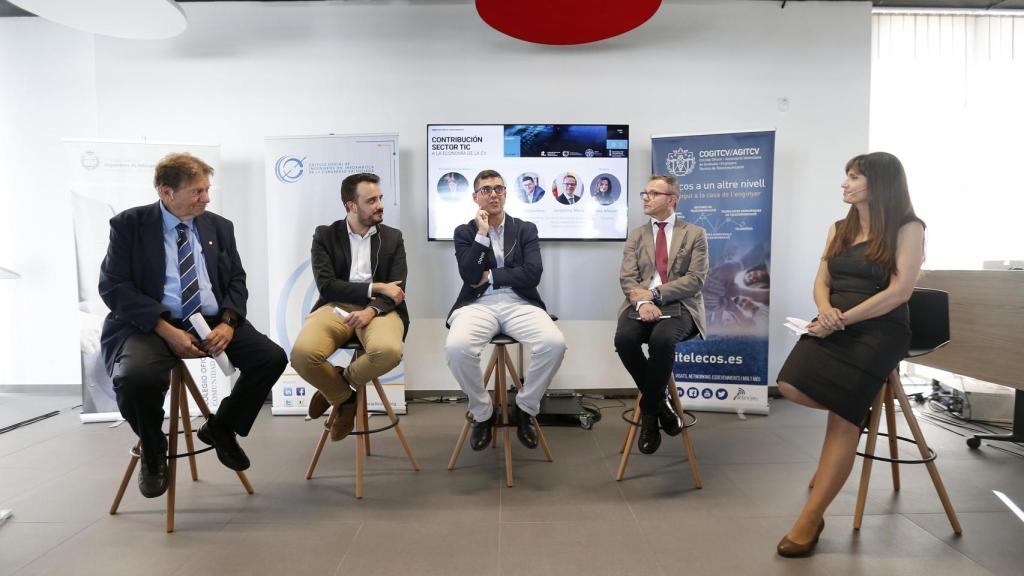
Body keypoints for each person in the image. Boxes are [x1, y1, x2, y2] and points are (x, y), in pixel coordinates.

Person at [99, 153, 287, 498]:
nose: (206, 198)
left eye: (207, 190)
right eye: (197, 192)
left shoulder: (219, 226)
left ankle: (221, 427)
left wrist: (229, 323)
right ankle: (154, 449)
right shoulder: (129, 225)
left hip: (213, 319)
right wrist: (164, 329)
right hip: (151, 322)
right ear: (167, 192)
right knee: (134, 378)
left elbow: (236, 280)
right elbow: (114, 286)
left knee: (271, 358)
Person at [775, 152, 925, 557]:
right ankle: (858, 404)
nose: (845, 183)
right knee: (788, 383)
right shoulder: (838, 228)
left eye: (854, 176)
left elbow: (899, 293)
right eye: (847, 176)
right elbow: (821, 280)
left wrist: (842, 320)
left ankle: (810, 518)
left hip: (880, 328)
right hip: (834, 321)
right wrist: (825, 312)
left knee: (842, 423)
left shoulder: (907, 228)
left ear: (879, 184)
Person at [445, 169, 567, 451]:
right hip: (478, 304)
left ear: (506, 194)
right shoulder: (465, 232)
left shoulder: (525, 229)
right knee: (457, 348)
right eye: (486, 190)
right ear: (475, 197)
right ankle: (482, 412)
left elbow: (533, 274)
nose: (493, 194)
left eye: (498, 188)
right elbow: (469, 275)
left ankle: (525, 408)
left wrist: (492, 276)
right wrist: (483, 234)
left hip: (520, 302)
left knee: (554, 344)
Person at [290, 173, 409, 442]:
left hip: (380, 310)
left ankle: (339, 386)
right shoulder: (325, 235)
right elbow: (328, 286)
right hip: (335, 307)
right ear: (350, 205)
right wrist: (376, 286)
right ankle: (346, 401)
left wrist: (371, 309)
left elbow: (398, 290)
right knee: (302, 355)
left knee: (389, 351)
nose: (380, 205)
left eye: (380, 198)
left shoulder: (393, 237)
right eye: (371, 200)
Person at [614, 175, 708, 454]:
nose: (646, 197)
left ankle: (649, 413)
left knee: (662, 341)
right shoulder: (636, 235)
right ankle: (661, 407)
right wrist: (643, 304)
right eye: (645, 193)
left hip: (680, 305)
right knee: (625, 340)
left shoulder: (695, 233)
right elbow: (627, 278)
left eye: (653, 193)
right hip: (639, 305)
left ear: (672, 199)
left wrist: (655, 295)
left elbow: (696, 280)